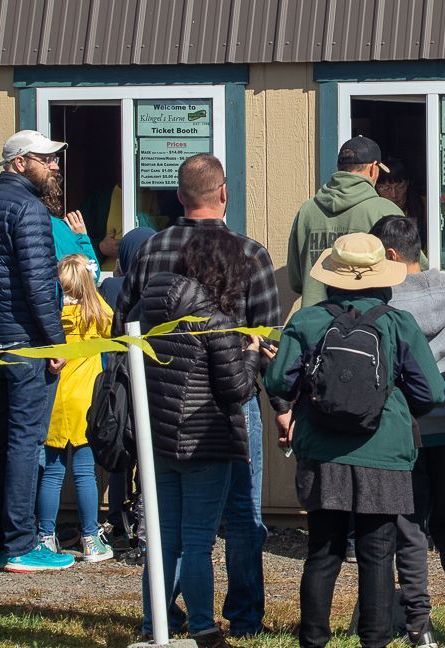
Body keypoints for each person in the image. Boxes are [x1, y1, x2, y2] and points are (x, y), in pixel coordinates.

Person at [114, 153, 287, 639]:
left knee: (167, 524)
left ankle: (161, 620)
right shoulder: (251, 254)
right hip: (231, 402)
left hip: (161, 406)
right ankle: (244, 617)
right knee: (241, 515)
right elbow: (268, 341)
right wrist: (281, 405)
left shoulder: (151, 251)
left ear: (179, 196)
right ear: (224, 194)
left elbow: (121, 330)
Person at [266, 233, 444, 648]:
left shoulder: (307, 321)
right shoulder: (399, 324)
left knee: (323, 553)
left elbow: (279, 381)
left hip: (322, 452)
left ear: (331, 277)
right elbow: (432, 391)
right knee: (378, 553)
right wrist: (393, 403)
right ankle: (375, 641)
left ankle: (312, 641)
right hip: (385, 454)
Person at [0, 129, 75, 573]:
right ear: (19, 162)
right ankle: (23, 545)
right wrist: (54, 342)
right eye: (46, 159)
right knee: (25, 441)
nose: (55, 165)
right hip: (26, 344)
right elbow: (39, 284)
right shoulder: (28, 209)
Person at [372, 215, 445, 646]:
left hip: (405, 429)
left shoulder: (384, 302)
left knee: (409, 525)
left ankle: (419, 623)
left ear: (390, 254)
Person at [37, 254, 115, 564]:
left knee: (52, 473)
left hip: (55, 403)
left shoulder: (52, 317)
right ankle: (90, 539)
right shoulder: (98, 313)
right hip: (86, 404)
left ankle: (45, 538)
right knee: (85, 474)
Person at [287, 136, 404, 306]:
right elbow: (411, 269)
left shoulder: (307, 211)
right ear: (373, 169)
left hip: (315, 325)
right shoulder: (385, 211)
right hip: (367, 324)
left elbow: (296, 280)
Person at [97, 225, 156, 555]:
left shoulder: (110, 286)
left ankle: (120, 522)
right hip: (151, 382)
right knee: (148, 452)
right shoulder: (160, 287)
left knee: (120, 452)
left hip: (116, 381)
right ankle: (146, 527)